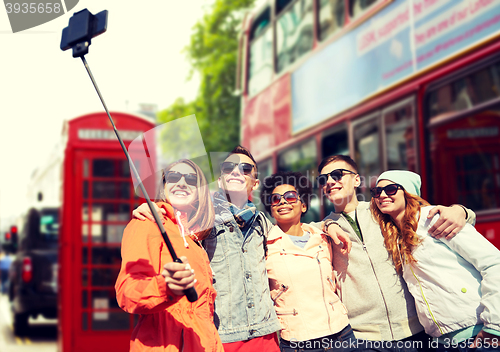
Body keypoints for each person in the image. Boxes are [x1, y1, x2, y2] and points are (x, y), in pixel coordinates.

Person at [316, 155, 476, 351]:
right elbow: (298, 231)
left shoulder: (383, 210)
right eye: (323, 179)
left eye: (337, 175)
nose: (330, 182)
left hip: (414, 330)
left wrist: (462, 211)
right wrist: (328, 224)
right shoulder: (320, 230)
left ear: (357, 180)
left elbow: (425, 214)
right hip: (363, 337)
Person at [133, 146, 282, 351]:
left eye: (245, 168)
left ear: (255, 183)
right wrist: (154, 207)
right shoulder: (203, 218)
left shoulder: (263, 223)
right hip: (223, 336)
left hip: (266, 334)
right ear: (220, 180)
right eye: (229, 167)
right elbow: (176, 215)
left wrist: (330, 223)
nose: (237, 171)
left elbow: (294, 236)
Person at [370, 170, 500, 351]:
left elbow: (493, 263)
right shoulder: (393, 236)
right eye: (376, 191)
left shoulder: (434, 218)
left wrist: (495, 326)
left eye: (391, 189)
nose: (382, 195)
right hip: (440, 342)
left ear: (408, 193)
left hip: (477, 333)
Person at [115, 159, 223, 351]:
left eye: (191, 180)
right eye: (173, 177)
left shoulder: (195, 241)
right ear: (163, 188)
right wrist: (166, 286)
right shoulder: (147, 223)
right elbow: (127, 293)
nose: (181, 183)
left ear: (200, 193)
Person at [260, 171, 361, 352]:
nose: (283, 201)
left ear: (304, 205)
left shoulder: (323, 238)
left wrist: (328, 224)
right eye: (275, 199)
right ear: (271, 209)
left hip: (341, 335)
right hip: (298, 341)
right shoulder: (264, 245)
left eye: (290, 196)